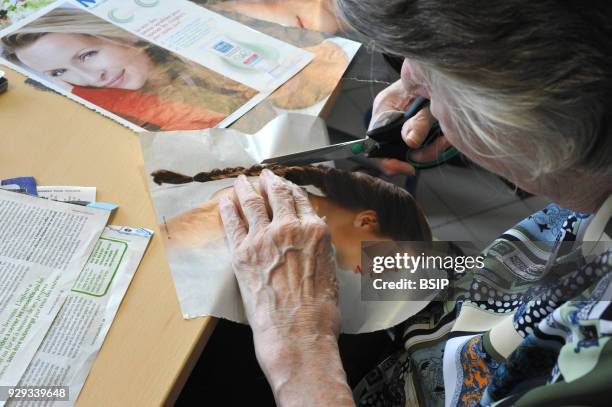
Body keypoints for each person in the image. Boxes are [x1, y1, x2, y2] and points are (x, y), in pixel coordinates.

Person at [217, 0, 612, 406]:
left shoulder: (593, 362)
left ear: (527, 120)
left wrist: (299, 347)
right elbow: (493, 275)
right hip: (458, 301)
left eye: (433, 69)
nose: (406, 76)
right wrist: (461, 114)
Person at [1, 7, 257, 130]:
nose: (90, 78)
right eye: (58, 72)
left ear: (120, 35)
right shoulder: (113, 107)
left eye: (88, 55)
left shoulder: (205, 59)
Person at [151, 165, 431, 273]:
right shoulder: (257, 201)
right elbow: (159, 251)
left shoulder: (301, 228)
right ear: (367, 221)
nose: (372, 273)